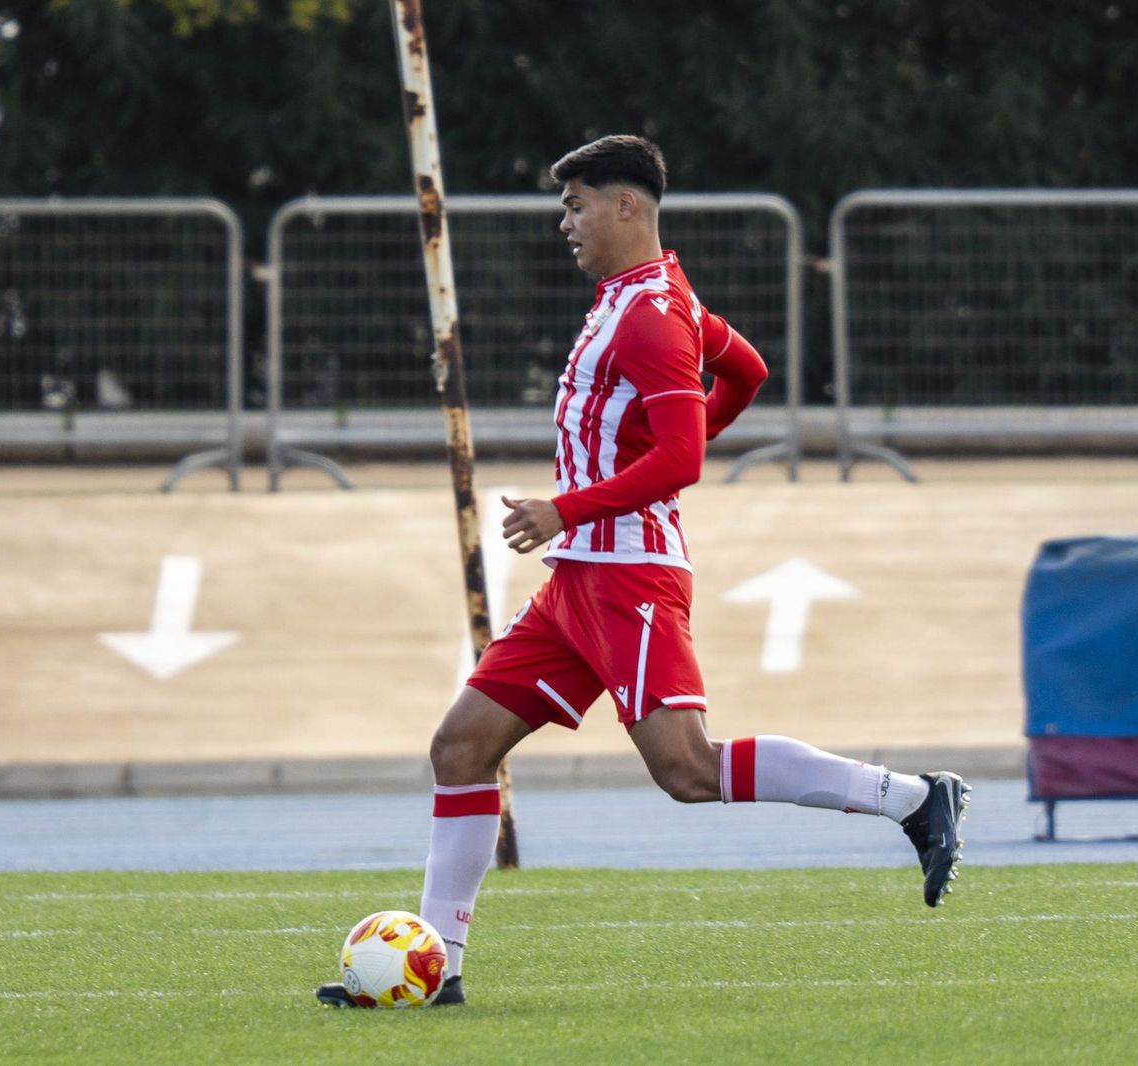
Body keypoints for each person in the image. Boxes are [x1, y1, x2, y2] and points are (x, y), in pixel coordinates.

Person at [319, 135, 968, 1009]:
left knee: (687, 771)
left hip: (627, 578)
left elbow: (683, 459)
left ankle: (916, 799)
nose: (566, 223)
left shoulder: (653, 316)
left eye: (577, 204)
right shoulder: (643, 299)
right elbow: (747, 372)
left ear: (627, 206)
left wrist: (569, 507)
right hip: (578, 580)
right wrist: (601, 496)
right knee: (461, 747)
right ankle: (444, 973)